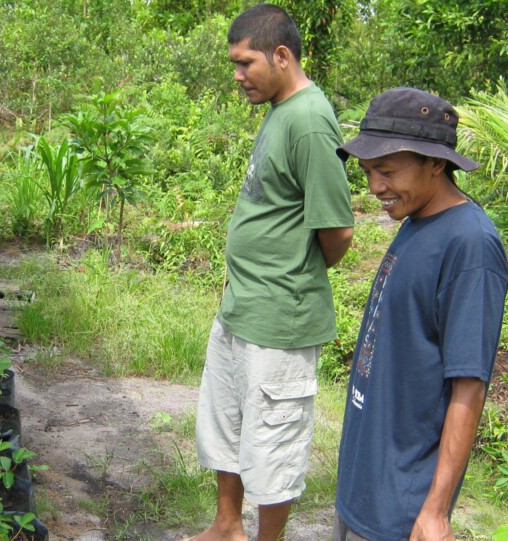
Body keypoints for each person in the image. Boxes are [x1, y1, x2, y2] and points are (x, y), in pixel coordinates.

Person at [188, 4, 355, 541]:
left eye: (244, 64)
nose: (237, 76)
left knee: (273, 445)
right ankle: (226, 525)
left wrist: (290, 275)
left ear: (281, 56)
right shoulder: (280, 109)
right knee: (227, 423)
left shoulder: (309, 119)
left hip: (279, 318)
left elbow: (338, 232)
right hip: (242, 306)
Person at [333, 87, 508, 541]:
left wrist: (435, 512)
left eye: (387, 171)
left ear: (436, 163)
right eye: (369, 171)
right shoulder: (417, 221)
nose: (375, 187)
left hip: (403, 509)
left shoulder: (470, 245)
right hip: (367, 487)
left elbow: (469, 384)